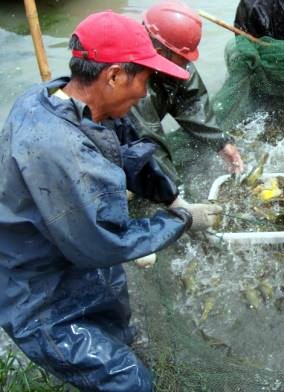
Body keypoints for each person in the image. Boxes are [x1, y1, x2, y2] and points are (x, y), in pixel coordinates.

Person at [0, 11, 222, 391]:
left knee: (123, 336)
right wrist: (182, 221)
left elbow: (129, 149)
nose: (146, 92)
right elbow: (105, 242)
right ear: (115, 75)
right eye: (146, 79)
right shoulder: (60, 149)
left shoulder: (62, 97)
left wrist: (170, 196)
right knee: (129, 382)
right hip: (41, 297)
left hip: (77, 267)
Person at [128, 0, 244, 187]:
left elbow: (192, 102)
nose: (185, 64)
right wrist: (175, 197)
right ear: (159, 52)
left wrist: (222, 144)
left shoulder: (176, 63)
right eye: (181, 58)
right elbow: (147, 140)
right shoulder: (130, 82)